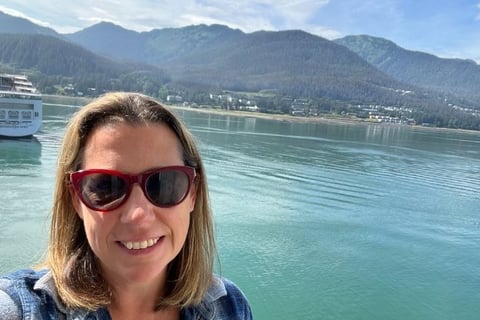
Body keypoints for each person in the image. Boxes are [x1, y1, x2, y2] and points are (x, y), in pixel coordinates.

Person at [0, 92, 253, 319]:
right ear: (75, 198)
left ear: (193, 194)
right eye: (106, 187)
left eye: (164, 184)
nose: (138, 214)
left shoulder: (228, 306)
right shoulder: (23, 309)